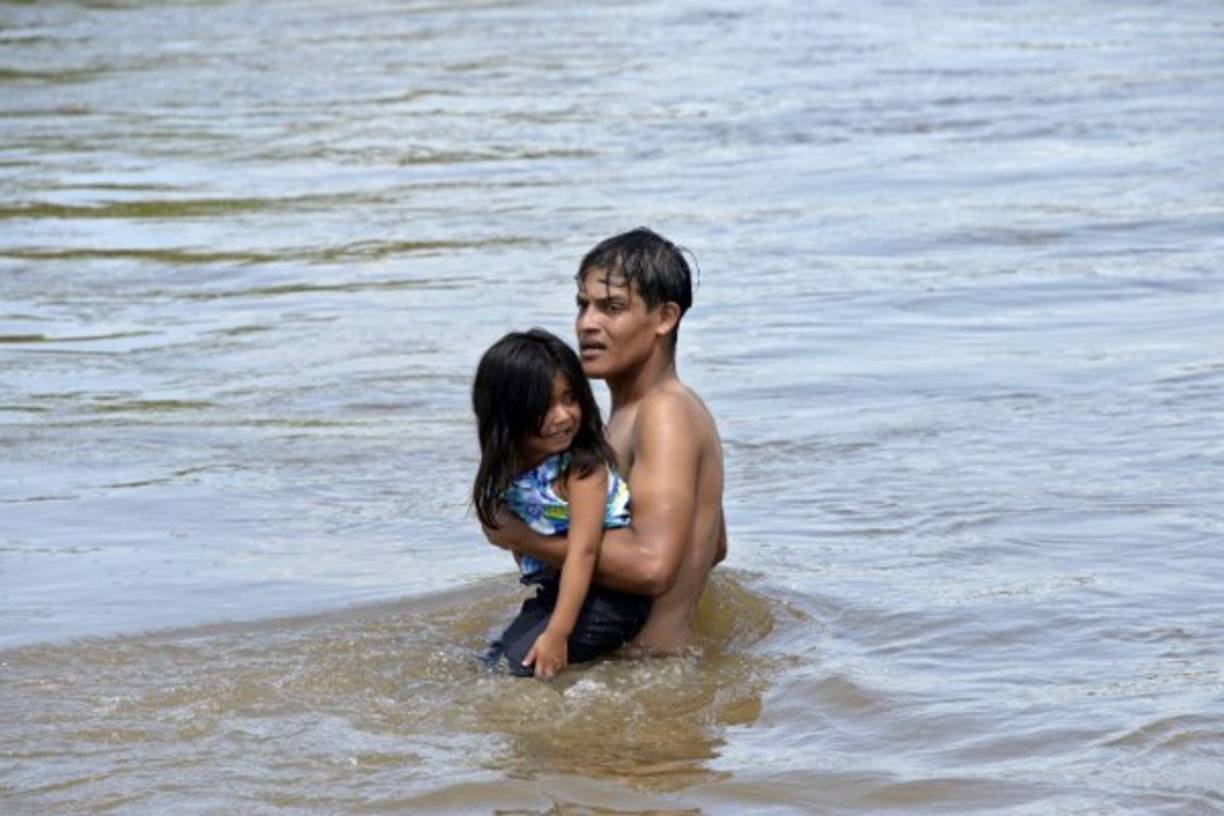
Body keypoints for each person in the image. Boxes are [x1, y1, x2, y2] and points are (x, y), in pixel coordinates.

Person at [484, 227, 726, 656]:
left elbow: (652, 568)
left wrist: (520, 536)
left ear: (665, 318)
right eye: (583, 305)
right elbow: (714, 543)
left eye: (611, 308)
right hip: (632, 668)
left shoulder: (665, 415)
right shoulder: (633, 413)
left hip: (644, 676)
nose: (588, 324)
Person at [472, 328, 651, 678]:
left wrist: (558, 634)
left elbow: (583, 552)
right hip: (560, 590)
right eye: (544, 406)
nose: (563, 416)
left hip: (611, 599)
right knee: (490, 665)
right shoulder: (512, 468)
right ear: (506, 413)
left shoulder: (582, 470)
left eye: (570, 399)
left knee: (521, 670)